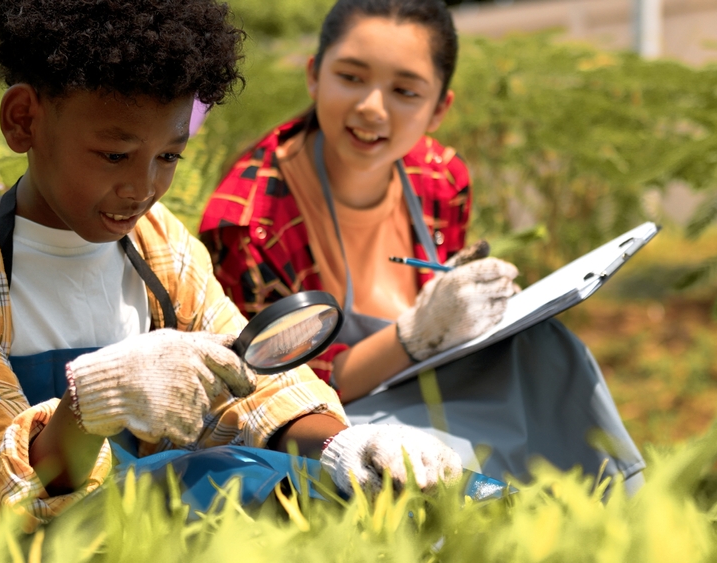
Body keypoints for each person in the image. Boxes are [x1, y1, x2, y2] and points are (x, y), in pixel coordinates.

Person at [0, 0, 465, 529]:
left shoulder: (160, 245)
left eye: (169, 156)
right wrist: (97, 401)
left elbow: (254, 385)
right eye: (115, 154)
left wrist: (346, 449)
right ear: (25, 119)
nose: (142, 187)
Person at [199, 0, 645, 488]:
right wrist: (416, 333)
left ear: (438, 109)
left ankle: (613, 497)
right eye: (350, 78)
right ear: (313, 76)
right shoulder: (249, 220)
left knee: (545, 345)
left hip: (423, 382)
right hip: (332, 425)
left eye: (405, 91)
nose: (372, 107)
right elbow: (271, 393)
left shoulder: (440, 177)